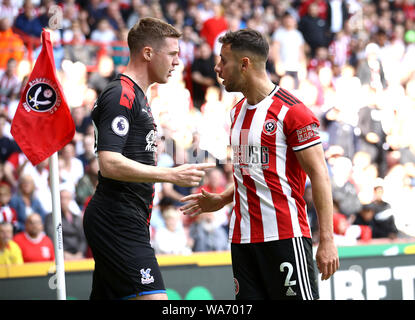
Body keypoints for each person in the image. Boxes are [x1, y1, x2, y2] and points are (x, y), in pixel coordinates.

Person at [181, 29, 339, 300]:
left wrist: (326, 239)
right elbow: (251, 170)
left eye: (223, 61)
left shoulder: (293, 112)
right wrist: (222, 199)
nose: (217, 68)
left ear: (245, 64)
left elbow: (320, 175)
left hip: (285, 237)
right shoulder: (236, 111)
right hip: (242, 241)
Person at [83, 17, 214, 301]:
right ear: (148, 53)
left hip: (129, 216)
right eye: (173, 54)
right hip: (117, 217)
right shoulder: (121, 94)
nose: (178, 62)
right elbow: (109, 163)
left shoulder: (140, 97)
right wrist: (171, 175)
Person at [45, 185, 87, 261]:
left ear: (70, 199)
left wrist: (80, 253)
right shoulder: (51, 218)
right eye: (61, 198)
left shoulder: (77, 218)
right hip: (61, 256)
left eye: (66, 198)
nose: (63, 201)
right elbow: (52, 238)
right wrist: (63, 254)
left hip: (78, 256)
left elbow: (83, 238)